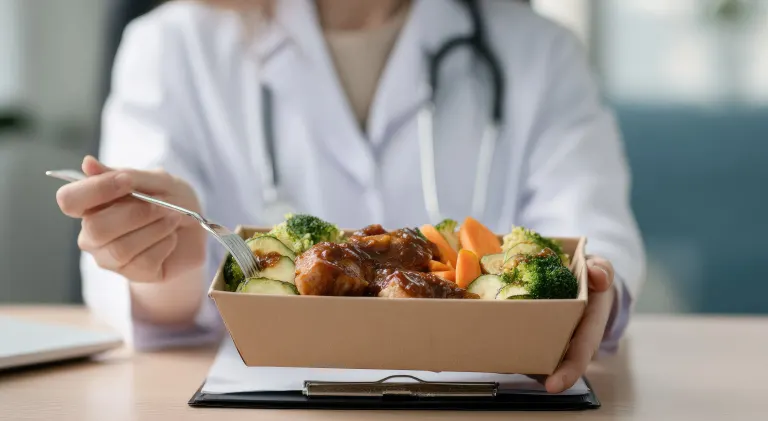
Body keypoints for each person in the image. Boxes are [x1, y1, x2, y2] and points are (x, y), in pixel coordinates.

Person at [54, 0, 645, 393]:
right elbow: (140, 297)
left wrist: (593, 286)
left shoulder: (542, 52)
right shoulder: (168, 46)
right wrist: (167, 263)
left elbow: (594, 230)